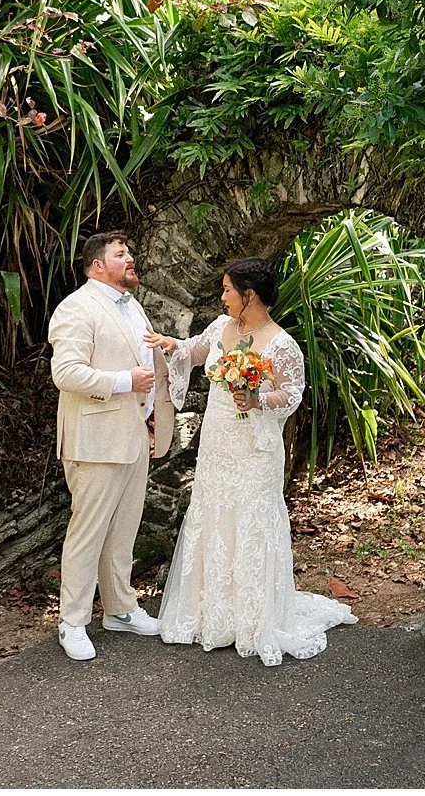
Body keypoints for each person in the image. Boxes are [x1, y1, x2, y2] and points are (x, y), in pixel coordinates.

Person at [144, 256, 355, 666]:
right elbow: (195, 352)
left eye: (227, 290)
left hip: (256, 449)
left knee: (253, 518)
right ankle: (213, 612)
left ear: (249, 295)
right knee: (215, 514)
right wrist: (173, 346)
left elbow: (292, 395)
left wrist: (258, 399)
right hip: (219, 442)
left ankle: (255, 617)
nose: (222, 297)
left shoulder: (281, 344)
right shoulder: (222, 328)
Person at [45, 229, 171, 661]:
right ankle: (72, 621)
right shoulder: (76, 308)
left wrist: (152, 415)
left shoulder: (132, 305)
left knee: (123, 533)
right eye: (122, 254)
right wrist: (123, 383)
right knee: (87, 534)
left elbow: (146, 366)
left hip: (134, 435)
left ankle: (120, 609)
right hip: (94, 441)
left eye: (130, 252)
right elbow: (66, 373)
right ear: (98, 265)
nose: (131, 258)